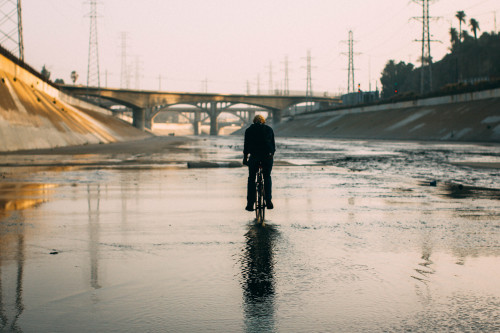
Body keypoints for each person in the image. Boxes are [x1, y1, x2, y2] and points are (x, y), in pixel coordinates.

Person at [243, 115, 276, 211]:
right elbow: (273, 146)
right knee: (267, 177)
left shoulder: (249, 130)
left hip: (254, 158)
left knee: (251, 179)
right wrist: (271, 155)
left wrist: (245, 158)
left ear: (254, 121)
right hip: (267, 157)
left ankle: (250, 204)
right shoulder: (269, 129)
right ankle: (268, 201)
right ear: (263, 121)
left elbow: (246, 146)